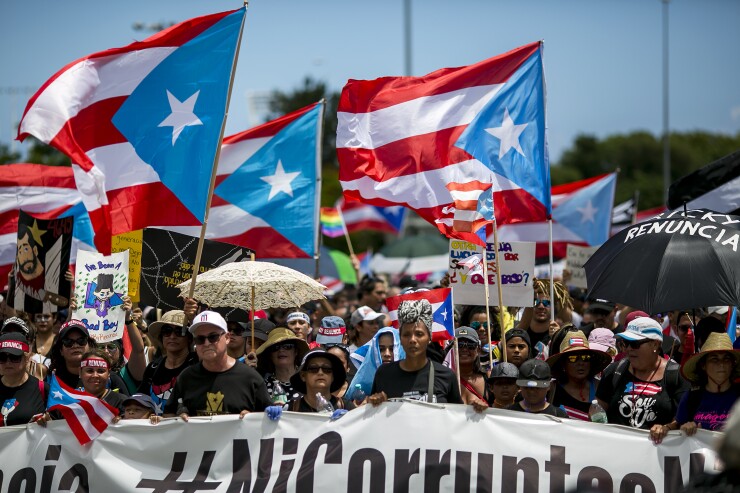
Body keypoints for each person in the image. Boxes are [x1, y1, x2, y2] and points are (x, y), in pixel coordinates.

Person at [164, 311, 272, 419]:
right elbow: (169, 415)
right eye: (200, 339)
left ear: (227, 337)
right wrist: (179, 418)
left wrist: (252, 419)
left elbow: (269, 420)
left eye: (213, 337)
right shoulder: (186, 377)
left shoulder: (250, 378)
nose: (206, 343)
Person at [596, 317, 689, 437]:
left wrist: (666, 428)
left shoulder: (676, 376)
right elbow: (598, 410)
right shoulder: (614, 371)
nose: (629, 349)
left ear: (655, 344)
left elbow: (683, 419)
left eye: (635, 344)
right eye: (626, 343)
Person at [368, 299, 469, 407]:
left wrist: (478, 411)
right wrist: (375, 403)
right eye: (406, 334)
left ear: (429, 338)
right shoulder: (384, 374)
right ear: (400, 339)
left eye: (419, 334)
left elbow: (457, 418)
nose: (412, 340)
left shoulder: (446, 376)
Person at [136, 310, 198, 414]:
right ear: (161, 337)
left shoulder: (197, 363)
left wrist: (192, 319)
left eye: (179, 332)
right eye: (167, 331)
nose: (172, 336)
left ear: (190, 338)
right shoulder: (153, 368)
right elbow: (139, 400)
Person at [676, 332, 739, 433]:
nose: (721, 364)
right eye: (714, 359)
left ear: (732, 364)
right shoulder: (691, 398)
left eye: (726, 359)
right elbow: (677, 430)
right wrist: (685, 427)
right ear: (703, 365)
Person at [547, 331, 611, 421]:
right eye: (573, 358)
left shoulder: (601, 389)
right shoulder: (550, 390)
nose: (580, 363)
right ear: (563, 364)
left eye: (586, 358)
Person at [0, 332, 47, 426]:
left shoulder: (43, 389)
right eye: (2, 357)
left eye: (14, 357)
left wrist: (49, 420)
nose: (8, 362)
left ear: (27, 358)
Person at [255, 327, 309, 403]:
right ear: (270, 355)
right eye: (275, 348)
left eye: (287, 346)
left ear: (296, 351)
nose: (281, 350)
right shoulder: (262, 387)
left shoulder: (308, 381)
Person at [349, 327, 405, 398]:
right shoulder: (362, 385)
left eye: (392, 349)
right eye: (381, 349)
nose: (387, 354)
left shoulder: (411, 378)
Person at [78, 349, 128, 414]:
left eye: (100, 371)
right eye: (89, 371)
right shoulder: (69, 403)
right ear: (80, 372)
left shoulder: (122, 402)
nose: (95, 375)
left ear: (109, 373)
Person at [454, 327, 488, 406]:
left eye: (470, 345)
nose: (464, 349)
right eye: (459, 345)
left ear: (478, 350)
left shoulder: (488, 379)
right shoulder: (444, 380)